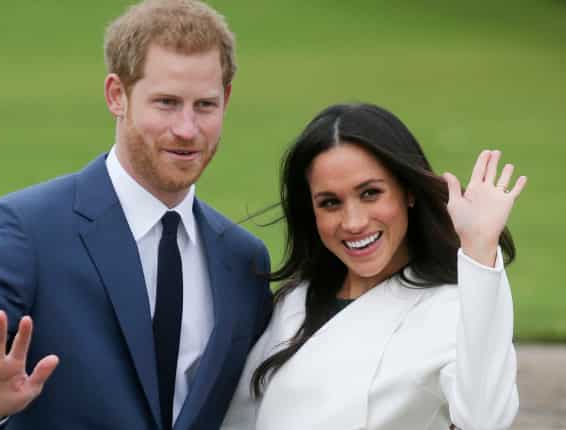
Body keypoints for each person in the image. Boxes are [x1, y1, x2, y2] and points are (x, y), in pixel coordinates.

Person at [0, 1, 272, 429]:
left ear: (226, 99)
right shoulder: (25, 229)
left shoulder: (244, 260)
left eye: (205, 106)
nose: (187, 129)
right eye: (167, 103)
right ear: (117, 95)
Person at [221, 103, 525, 430]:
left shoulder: (451, 308)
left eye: (370, 193)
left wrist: (479, 250)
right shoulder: (295, 300)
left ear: (407, 191)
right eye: (330, 203)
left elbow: (486, 418)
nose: (354, 222)